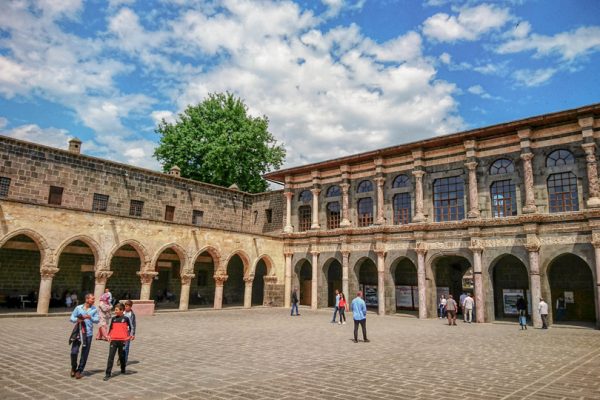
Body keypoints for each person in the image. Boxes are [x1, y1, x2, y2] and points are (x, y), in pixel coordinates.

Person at [69, 293, 99, 379]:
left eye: (93, 299)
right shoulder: (78, 308)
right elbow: (72, 318)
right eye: (92, 299)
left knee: (85, 353)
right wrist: (77, 319)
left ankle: (79, 371)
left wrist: (91, 318)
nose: (93, 300)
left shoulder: (94, 309)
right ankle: (73, 367)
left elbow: (97, 320)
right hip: (78, 332)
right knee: (74, 352)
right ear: (87, 299)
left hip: (88, 334)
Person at [103, 303, 133, 381]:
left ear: (122, 310)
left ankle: (123, 368)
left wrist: (131, 335)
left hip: (122, 340)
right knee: (111, 357)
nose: (115, 311)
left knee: (121, 356)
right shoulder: (113, 319)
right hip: (113, 340)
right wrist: (109, 336)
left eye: (116, 310)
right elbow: (111, 328)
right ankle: (108, 373)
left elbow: (131, 327)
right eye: (115, 310)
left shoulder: (126, 318)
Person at [122, 300, 137, 366]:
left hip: (128, 332)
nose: (126, 307)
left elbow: (133, 324)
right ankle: (121, 357)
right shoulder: (122, 312)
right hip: (121, 331)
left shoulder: (132, 314)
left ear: (130, 307)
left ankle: (124, 360)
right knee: (120, 346)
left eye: (127, 306)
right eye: (125, 306)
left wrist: (133, 334)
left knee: (126, 346)